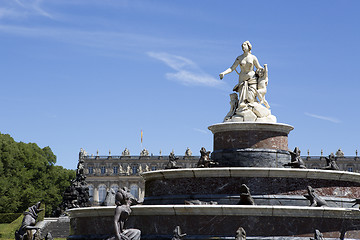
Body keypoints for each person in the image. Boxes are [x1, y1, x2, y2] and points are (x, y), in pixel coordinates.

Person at [219, 41, 264, 109]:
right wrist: (223, 73)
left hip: (252, 80)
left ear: (249, 47)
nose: (243, 47)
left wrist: (265, 70)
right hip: (242, 79)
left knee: (250, 99)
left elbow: (259, 67)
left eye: (245, 45)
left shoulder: (253, 57)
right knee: (242, 100)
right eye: (242, 45)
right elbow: (232, 68)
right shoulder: (239, 58)